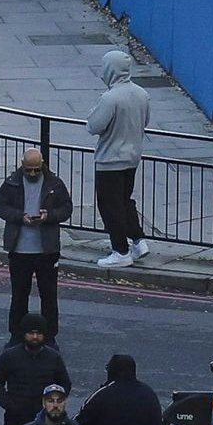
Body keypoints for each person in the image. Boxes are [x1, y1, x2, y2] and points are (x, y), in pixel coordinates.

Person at [0, 147, 71, 338]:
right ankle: (16, 336)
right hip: (20, 250)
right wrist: (20, 216)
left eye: (36, 169)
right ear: (22, 165)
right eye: (29, 170)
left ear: (42, 164)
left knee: (49, 297)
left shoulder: (55, 183)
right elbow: (0, 205)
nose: (33, 173)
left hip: (47, 251)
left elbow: (67, 208)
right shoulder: (12, 182)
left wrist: (48, 216)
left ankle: (50, 337)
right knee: (19, 296)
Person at [84, 52, 152, 266]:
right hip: (132, 158)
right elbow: (146, 120)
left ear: (110, 69)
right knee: (124, 202)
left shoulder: (110, 98)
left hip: (109, 160)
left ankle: (120, 252)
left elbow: (93, 126)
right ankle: (139, 241)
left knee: (109, 206)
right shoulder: (141, 94)